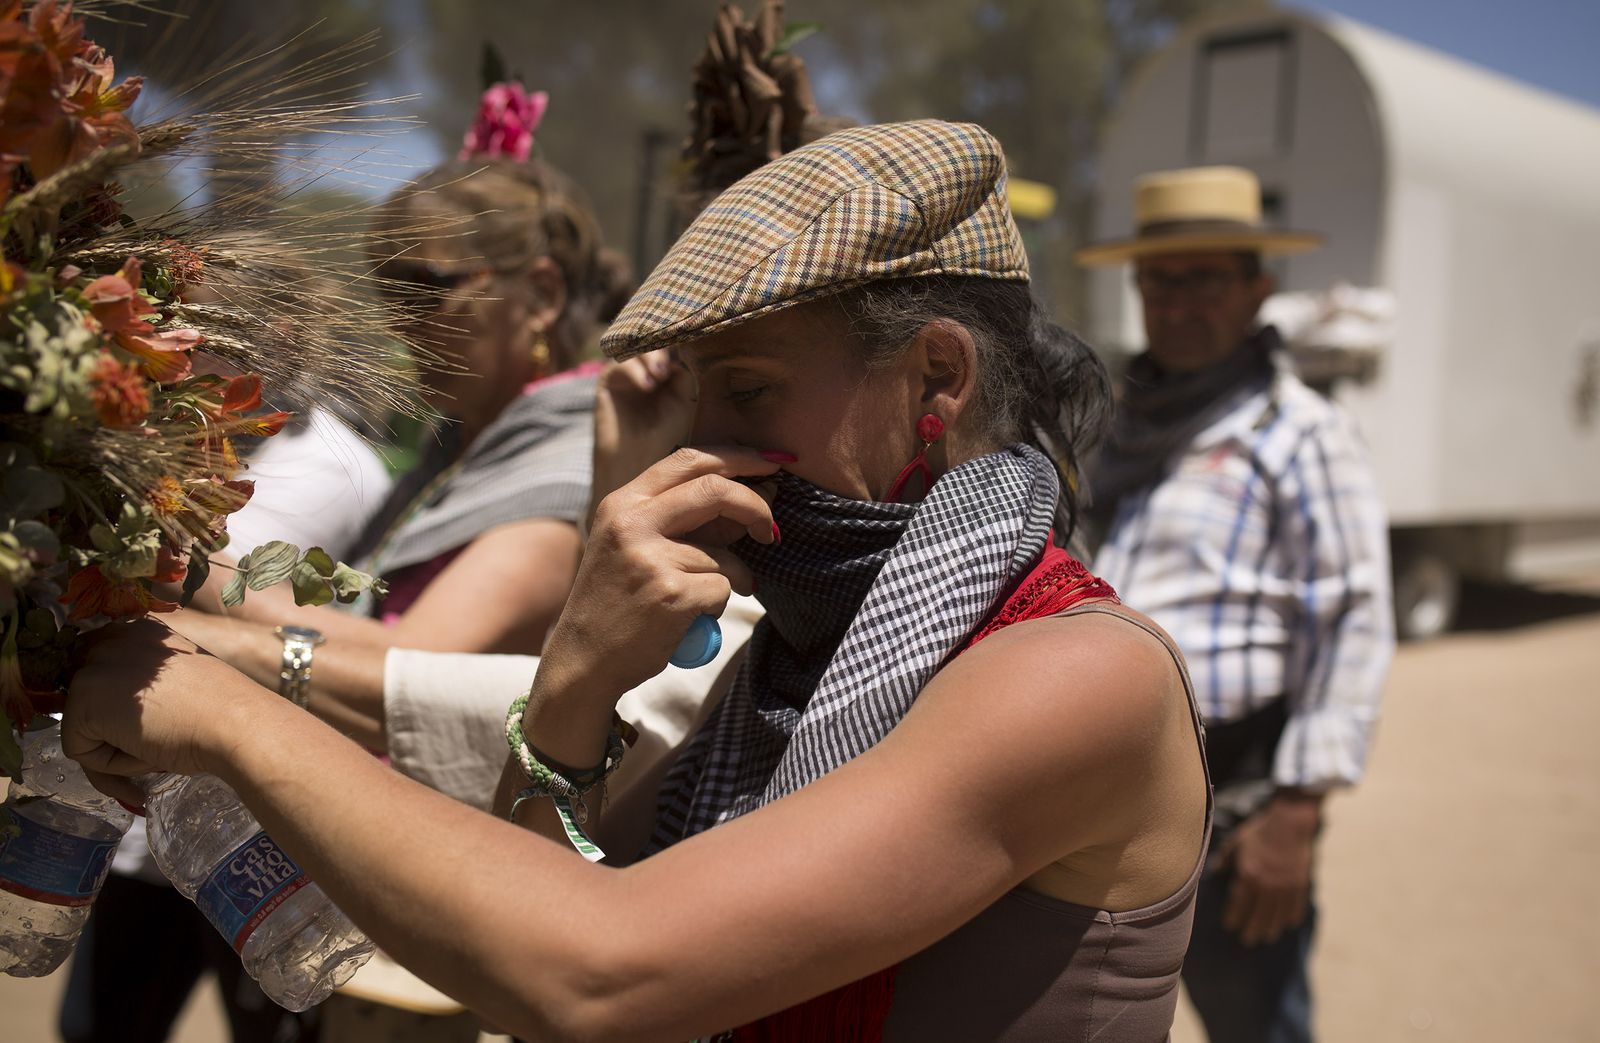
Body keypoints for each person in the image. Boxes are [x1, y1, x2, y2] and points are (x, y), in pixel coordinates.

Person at [65, 120, 1211, 1041]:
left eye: (748, 392)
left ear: (938, 373)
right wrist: (573, 679)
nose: (694, 449)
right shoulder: (795, 661)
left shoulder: (1073, 675)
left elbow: (598, 976)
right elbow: (537, 893)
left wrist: (233, 718)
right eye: (693, 402)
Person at [170, 132, 634, 754]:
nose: (397, 321)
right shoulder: (464, 447)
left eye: (424, 287)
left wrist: (178, 562)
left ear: (542, 296)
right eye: (389, 292)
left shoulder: (573, 465)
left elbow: (411, 668)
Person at [1077, 165, 1395, 1043]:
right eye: (1159, 280)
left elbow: (1352, 619)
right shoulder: (1109, 428)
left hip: (1236, 794)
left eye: (1205, 279)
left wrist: (1296, 813)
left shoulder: (1299, 432)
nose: (1178, 302)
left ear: (1259, 290)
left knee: (1259, 1021)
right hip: (1095, 784)